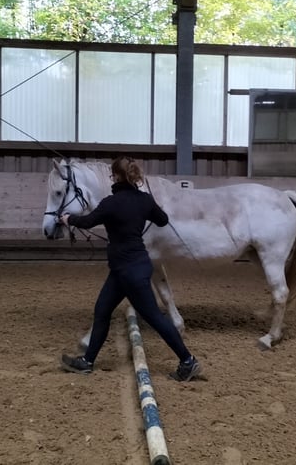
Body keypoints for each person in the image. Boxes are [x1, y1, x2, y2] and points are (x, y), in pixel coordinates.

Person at [58, 156, 201, 382]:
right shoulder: (144, 200)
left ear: (114, 176)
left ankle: (187, 360)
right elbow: (163, 220)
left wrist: (68, 219)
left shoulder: (110, 203)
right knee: (102, 310)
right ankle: (87, 361)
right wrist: (149, 208)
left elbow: (87, 222)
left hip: (130, 272)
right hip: (124, 269)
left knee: (154, 317)